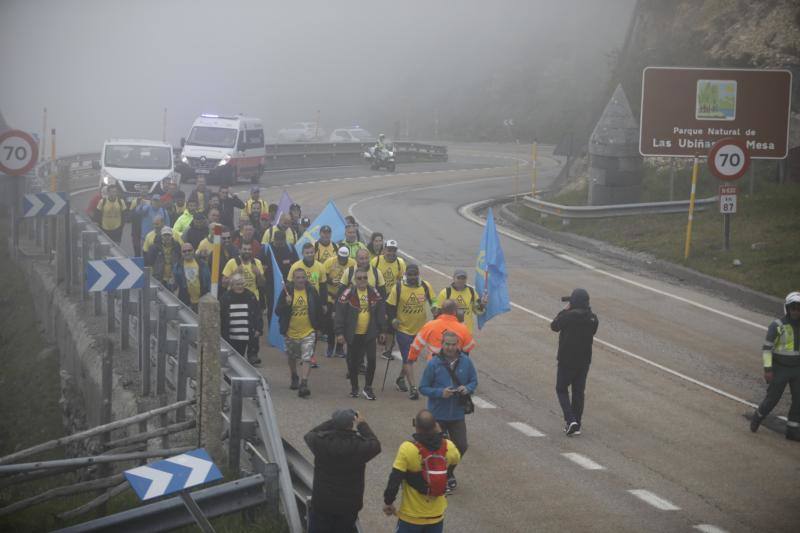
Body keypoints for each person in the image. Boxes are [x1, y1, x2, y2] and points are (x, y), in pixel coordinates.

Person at [304, 409, 381, 533]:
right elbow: (376, 445)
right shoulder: (359, 446)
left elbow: (309, 434)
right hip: (348, 507)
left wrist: (332, 422)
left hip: (323, 504)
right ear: (351, 425)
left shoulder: (321, 442)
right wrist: (362, 424)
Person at [383, 409, 461, 532]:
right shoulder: (448, 447)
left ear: (417, 427)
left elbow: (395, 479)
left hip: (411, 516)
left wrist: (388, 502)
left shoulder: (408, 448)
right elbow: (455, 459)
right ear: (436, 426)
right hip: (436, 515)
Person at [419, 331, 477, 493]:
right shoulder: (433, 364)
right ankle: (436, 477)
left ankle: (448, 473)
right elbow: (423, 387)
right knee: (435, 449)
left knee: (461, 446)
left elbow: (474, 381)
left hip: (457, 414)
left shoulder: (466, 362)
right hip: (437, 415)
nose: (450, 347)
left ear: (458, 344)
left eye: (453, 344)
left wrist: (467, 388)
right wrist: (440, 393)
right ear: (442, 344)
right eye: (447, 344)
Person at [750, 291, 800, 440]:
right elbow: (767, 349)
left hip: (797, 369)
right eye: (794, 308)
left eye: (799, 308)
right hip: (780, 369)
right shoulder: (777, 326)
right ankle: (758, 416)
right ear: (787, 308)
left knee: (799, 400)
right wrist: (768, 369)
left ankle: (792, 430)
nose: (796, 311)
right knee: (772, 399)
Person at [550, 288, 599, 436]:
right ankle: (577, 423)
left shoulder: (568, 316)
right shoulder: (593, 319)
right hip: (584, 361)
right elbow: (593, 330)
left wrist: (565, 310)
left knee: (561, 388)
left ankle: (570, 420)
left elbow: (554, 326)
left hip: (567, 360)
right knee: (578, 392)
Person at [335, 267, 387, 400]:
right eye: (359, 278)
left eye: (365, 277)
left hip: (369, 334)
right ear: (354, 280)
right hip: (353, 335)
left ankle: (368, 388)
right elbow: (340, 314)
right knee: (353, 363)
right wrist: (339, 333)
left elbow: (380, 310)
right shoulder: (347, 293)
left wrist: (382, 330)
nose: (363, 280)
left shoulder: (373, 292)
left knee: (372, 360)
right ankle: (354, 388)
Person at [387, 264, 435, 400]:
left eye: (415, 274)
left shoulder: (425, 286)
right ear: (406, 274)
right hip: (403, 330)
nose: (413, 277)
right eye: (410, 274)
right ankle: (413, 388)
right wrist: (393, 319)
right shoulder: (398, 287)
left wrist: (435, 308)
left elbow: (434, 300)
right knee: (409, 358)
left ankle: (400, 378)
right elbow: (389, 306)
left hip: (420, 331)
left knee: (411, 358)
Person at [276, 269, 323, 396]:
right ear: (293, 279)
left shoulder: (312, 291)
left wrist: (318, 328)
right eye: (298, 278)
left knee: (306, 357)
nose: (301, 280)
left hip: (308, 331)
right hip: (290, 332)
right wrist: (286, 304)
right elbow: (277, 311)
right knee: (292, 357)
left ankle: (304, 383)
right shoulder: (287, 291)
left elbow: (318, 310)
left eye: (303, 277)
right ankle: (294, 375)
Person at [408, 300, 476, 363]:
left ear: (442, 311)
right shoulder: (462, 328)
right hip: (454, 365)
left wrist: (412, 358)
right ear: (455, 312)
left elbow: (416, 345)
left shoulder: (430, 325)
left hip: (434, 364)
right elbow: (468, 347)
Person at [220, 274, 263, 365]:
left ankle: (252, 357)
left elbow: (257, 313)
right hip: (231, 334)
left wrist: (259, 328)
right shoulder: (226, 297)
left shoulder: (250, 296)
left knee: (245, 356)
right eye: (237, 284)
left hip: (247, 332)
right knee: (235, 359)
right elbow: (221, 316)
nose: (240, 286)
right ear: (232, 285)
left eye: (241, 284)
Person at [323, 247, 356, 357]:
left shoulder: (353, 263)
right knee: (330, 324)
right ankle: (330, 345)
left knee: (344, 323)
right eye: (340, 257)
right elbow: (322, 276)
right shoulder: (330, 262)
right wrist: (331, 281)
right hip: (331, 297)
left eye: (344, 258)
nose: (342, 260)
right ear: (337, 255)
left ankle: (340, 348)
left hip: (345, 299)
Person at [435, 269, 487, 335]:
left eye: (463, 278)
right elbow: (438, 314)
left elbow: (477, 311)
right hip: (449, 332)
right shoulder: (445, 293)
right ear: (453, 278)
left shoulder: (472, 292)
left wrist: (482, 304)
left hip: (466, 331)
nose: (461, 280)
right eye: (458, 278)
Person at [174, 242, 210, 311]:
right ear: (181, 253)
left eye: (189, 250)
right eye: (184, 251)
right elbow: (176, 285)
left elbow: (208, 282)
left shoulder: (203, 264)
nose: (187, 252)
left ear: (193, 251)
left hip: (202, 300)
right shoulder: (177, 266)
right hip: (185, 302)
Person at [145, 226, 181, 290]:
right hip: (159, 277)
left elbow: (180, 259)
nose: (167, 237)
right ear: (161, 236)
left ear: (171, 236)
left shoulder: (177, 246)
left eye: (168, 235)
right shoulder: (154, 247)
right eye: (165, 235)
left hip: (173, 277)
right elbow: (150, 261)